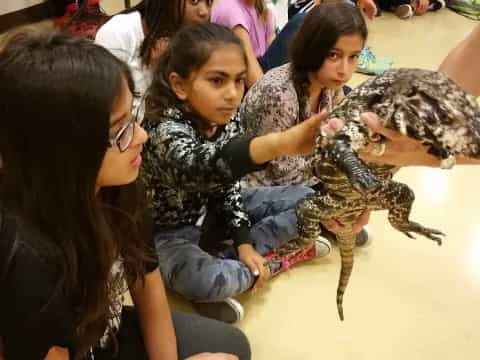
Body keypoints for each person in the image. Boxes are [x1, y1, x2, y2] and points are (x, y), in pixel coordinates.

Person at [0, 31, 250, 360]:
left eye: (132, 118)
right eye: (118, 131)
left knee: (230, 346)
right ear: (63, 153)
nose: (141, 135)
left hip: (101, 329)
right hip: (72, 344)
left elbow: (147, 284)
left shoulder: (121, 186)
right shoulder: (28, 257)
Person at [141, 22, 340, 324]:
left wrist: (244, 243)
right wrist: (278, 144)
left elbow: (228, 185)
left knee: (311, 199)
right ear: (179, 85)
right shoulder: (162, 129)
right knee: (202, 281)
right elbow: (201, 167)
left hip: (215, 215)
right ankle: (273, 262)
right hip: (169, 233)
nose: (233, 94)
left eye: (239, 81)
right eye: (217, 81)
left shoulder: (224, 119)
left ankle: (246, 265)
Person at [240, 2, 370, 244]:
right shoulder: (280, 94)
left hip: (303, 174)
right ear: (313, 48)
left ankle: (317, 225)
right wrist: (334, 183)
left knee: (355, 200)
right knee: (317, 201)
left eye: (353, 57)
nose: (344, 69)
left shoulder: (328, 85)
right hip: (259, 184)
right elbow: (280, 172)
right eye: (334, 55)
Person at [95, 0, 214, 118]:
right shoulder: (119, 31)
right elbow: (109, 109)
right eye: (194, 1)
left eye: (209, 3)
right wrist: (155, 70)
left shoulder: (192, 40)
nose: (204, 12)